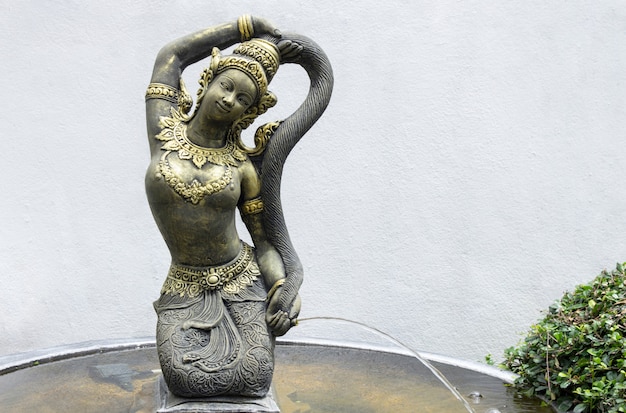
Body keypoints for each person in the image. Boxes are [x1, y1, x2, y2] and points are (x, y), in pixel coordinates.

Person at [144, 16, 301, 398]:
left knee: (254, 376)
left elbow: (263, 241)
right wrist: (243, 27)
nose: (229, 100)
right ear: (209, 80)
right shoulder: (164, 131)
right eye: (226, 86)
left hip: (241, 281)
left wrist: (284, 287)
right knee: (186, 379)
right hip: (183, 283)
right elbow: (172, 56)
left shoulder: (242, 167)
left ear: (248, 112)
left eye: (242, 99)